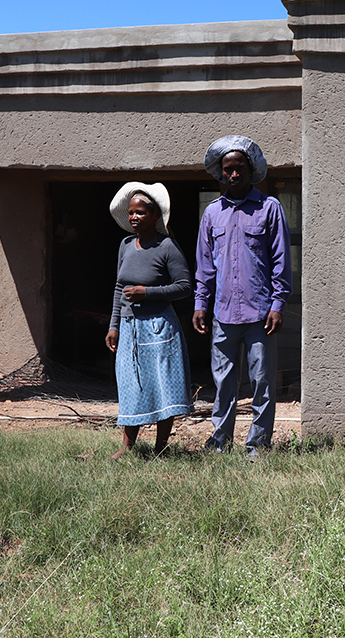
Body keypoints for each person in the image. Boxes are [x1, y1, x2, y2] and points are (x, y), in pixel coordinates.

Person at [193, 136, 292, 456]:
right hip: (223, 313)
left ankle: (257, 445)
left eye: (239, 169)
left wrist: (278, 304)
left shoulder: (269, 208)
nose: (233, 175)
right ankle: (219, 442)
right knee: (223, 382)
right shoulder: (212, 214)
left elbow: (281, 260)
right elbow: (205, 264)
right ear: (220, 174)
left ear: (250, 170)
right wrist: (200, 303)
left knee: (262, 383)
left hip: (260, 313)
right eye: (227, 170)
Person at [105, 182, 193, 459]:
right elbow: (119, 287)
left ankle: (161, 447)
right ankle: (127, 446)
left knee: (163, 385)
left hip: (158, 327)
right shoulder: (126, 245)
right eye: (131, 212)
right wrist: (114, 325)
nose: (134, 217)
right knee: (132, 384)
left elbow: (185, 286)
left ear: (156, 216)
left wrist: (148, 293)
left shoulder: (167, 246)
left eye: (140, 212)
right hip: (129, 329)